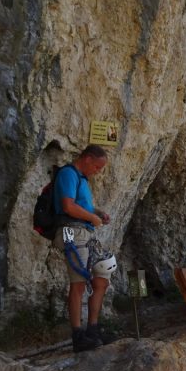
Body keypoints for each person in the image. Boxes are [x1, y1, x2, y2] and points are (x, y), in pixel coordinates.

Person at [49, 144, 117, 352]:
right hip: (71, 233)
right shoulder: (68, 174)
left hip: (84, 233)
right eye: (97, 167)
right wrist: (92, 218)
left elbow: (82, 206)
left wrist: (97, 213)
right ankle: (78, 336)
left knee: (101, 280)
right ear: (87, 158)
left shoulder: (81, 179)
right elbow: (68, 206)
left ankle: (93, 329)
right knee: (78, 284)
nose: (97, 172)